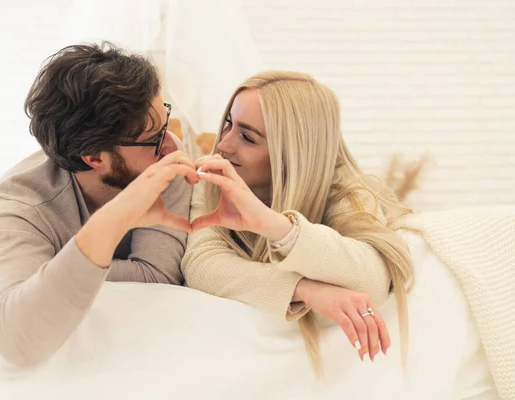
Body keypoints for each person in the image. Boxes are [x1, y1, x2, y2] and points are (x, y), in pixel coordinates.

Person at [181, 71, 514, 397]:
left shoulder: (346, 192)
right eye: (228, 123)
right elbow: (202, 264)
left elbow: (372, 279)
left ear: (292, 152)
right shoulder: (210, 181)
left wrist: (275, 226)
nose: (223, 144)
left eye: (247, 137)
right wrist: (305, 289)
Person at [0, 42, 204, 368]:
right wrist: (116, 219)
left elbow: (157, 275)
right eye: (154, 139)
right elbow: (19, 345)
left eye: (167, 124)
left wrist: (47, 266)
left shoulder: (163, 164)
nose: (173, 147)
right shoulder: (16, 209)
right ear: (94, 158)